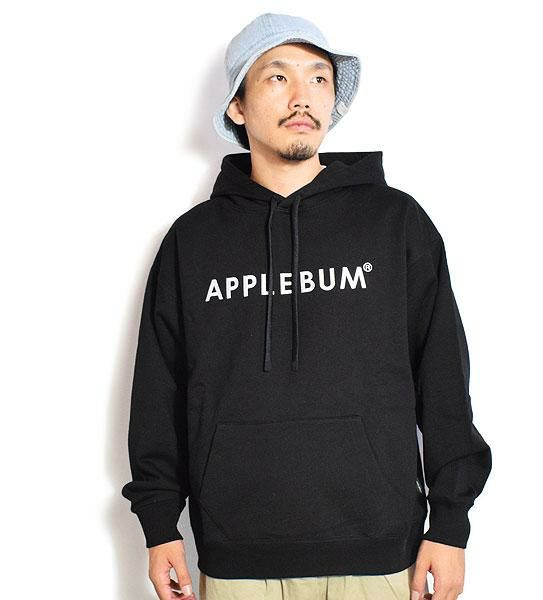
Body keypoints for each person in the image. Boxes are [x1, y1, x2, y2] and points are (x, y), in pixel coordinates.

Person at [121, 12, 493, 600]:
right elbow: (158, 391)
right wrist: (159, 523)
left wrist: (451, 524)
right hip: (237, 556)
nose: (303, 96)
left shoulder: (395, 224)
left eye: (319, 78)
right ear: (237, 107)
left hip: (381, 552)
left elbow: (444, 378)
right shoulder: (192, 242)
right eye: (278, 77)